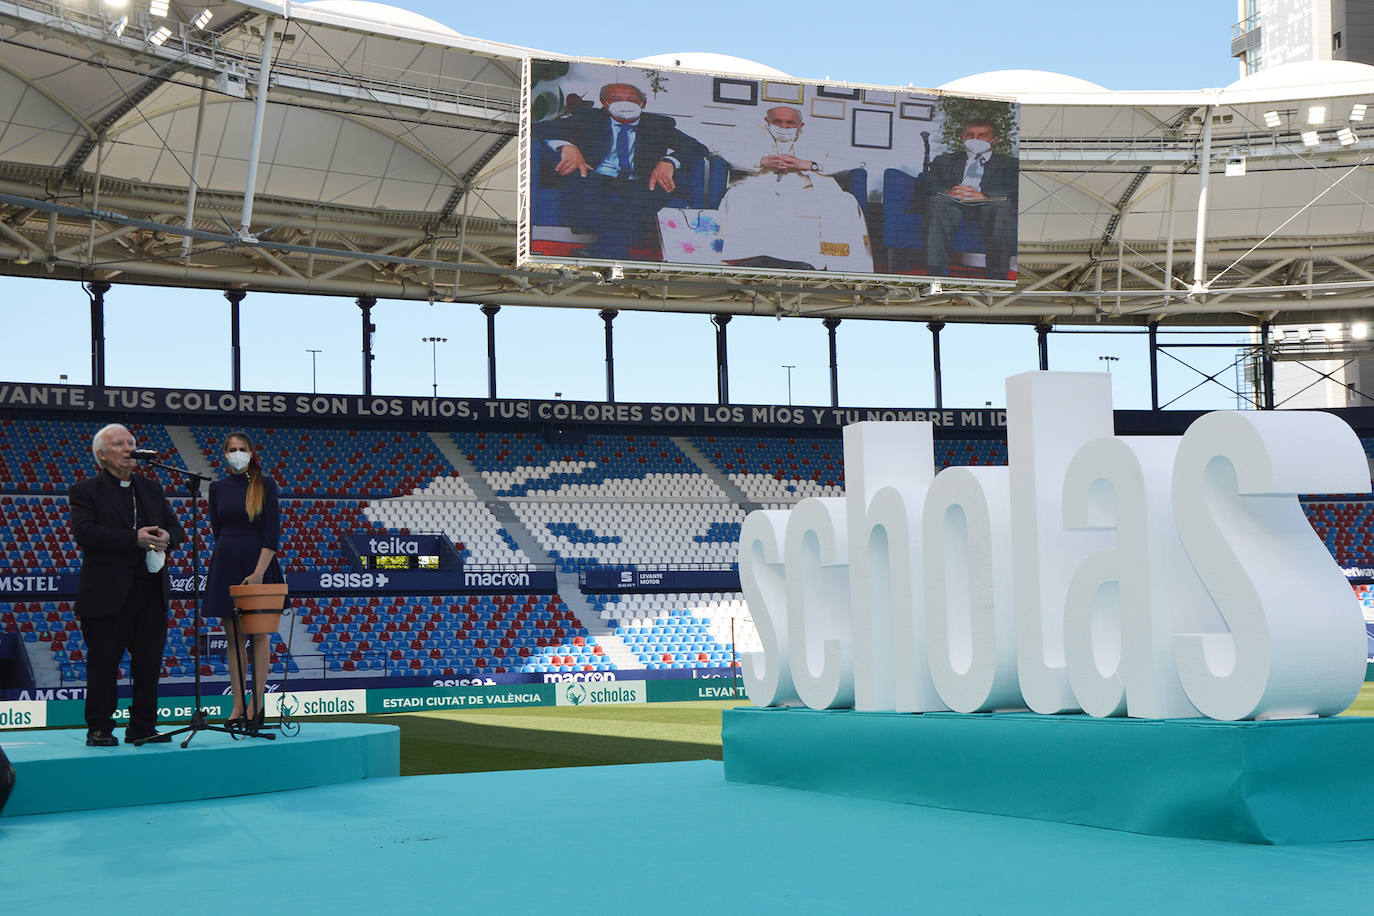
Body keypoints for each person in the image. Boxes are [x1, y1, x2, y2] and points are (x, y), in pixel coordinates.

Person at [70, 424, 184, 746]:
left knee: (148, 664)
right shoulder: (85, 491)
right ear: (102, 455)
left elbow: (176, 529)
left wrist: (166, 537)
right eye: (119, 444)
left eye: (131, 443)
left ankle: (144, 726)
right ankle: (100, 728)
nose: (128, 448)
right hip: (107, 593)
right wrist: (133, 539)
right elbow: (86, 534)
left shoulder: (151, 488)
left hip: (150, 591)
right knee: (104, 664)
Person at [533, 82, 708, 260]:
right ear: (604, 102)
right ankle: (614, 251)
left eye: (632, 100)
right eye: (616, 99)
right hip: (596, 176)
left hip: (640, 181)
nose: (625, 103)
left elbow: (697, 148)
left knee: (650, 194)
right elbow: (539, 129)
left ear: (643, 105)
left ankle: (602, 251)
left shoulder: (658, 124)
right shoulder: (588, 117)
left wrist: (669, 161)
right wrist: (566, 146)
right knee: (586, 188)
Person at [717, 105, 873, 272]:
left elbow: (856, 162)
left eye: (790, 123)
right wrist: (762, 161)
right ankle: (749, 257)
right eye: (777, 122)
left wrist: (809, 164)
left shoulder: (821, 137)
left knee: (843, 203)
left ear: (801, 125)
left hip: (805, 189)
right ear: (766, 121)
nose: (784, 127)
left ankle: (807, 261)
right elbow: (720, 152)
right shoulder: (748, 133)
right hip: (758, 186)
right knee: (739, 198)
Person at [204, 431, 286, 732]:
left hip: (259, 565)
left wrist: (258, 572)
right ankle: (237, 706)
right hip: (226, 562)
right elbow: (217, 528)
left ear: (252, 452)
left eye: (242, 449)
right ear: (224, 455)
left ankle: (257, 704)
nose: (237, 453)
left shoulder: (265, 485)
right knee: (233, 639)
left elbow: (272, 532)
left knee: (259, 635)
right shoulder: (217, 488)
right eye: (232, 449)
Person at [921, 118, 1019, 280]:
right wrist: (949, 192)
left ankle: (997, 274)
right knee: (937, 202)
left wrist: (985, 195)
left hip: (989, 204)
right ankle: (937, 273)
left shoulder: (1011, 164)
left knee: (1002, 207)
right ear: (962, 138)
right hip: (952, 203)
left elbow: (1015, 188)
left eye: (982, 135)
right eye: (970, 135)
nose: (975, 139)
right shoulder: (944, 160)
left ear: (995, 140)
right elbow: (929, 185)